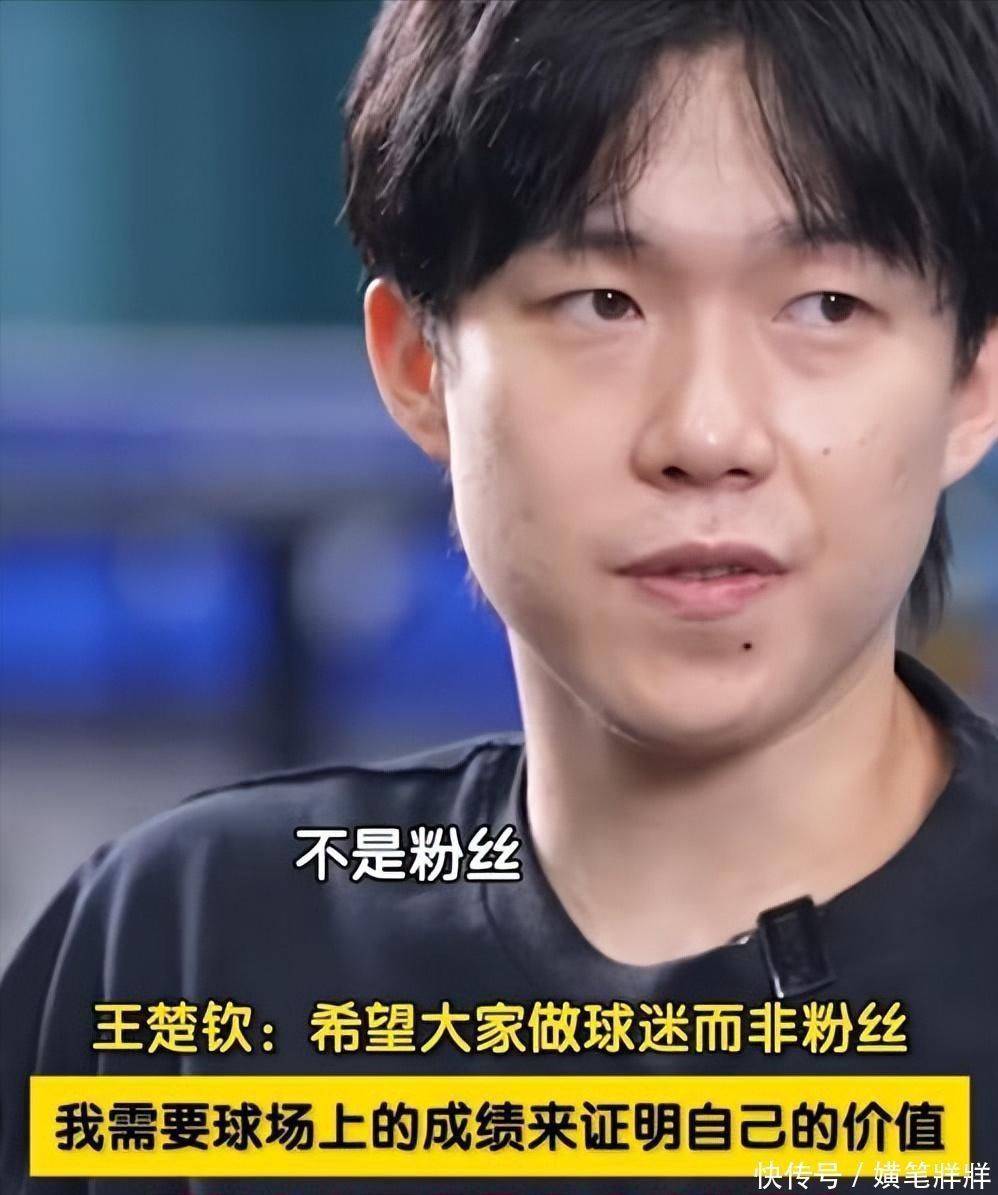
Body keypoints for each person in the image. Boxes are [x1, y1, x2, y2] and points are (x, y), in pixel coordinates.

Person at [3, 2, 997, 1193]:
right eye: (602, 302)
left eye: (825, 305)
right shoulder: (191, 953)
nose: (705, 433)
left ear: (970, 383)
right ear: (418, 364)